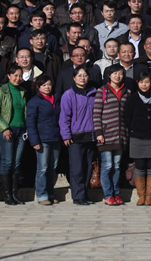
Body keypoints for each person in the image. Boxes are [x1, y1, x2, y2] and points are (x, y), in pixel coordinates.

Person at [93, 64, 130, 206]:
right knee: (107, 166)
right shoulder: (102, 91)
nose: (117, 76)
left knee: (117, 166)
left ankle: (116, 194)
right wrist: (99, 133)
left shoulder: (127, 91)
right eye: (114, 73)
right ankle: (108, 195)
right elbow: (96, 114)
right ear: (109, 75)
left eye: (120, 73)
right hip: (106, 135)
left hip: (121, 135)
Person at [60, 66, 97, 206]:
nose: (82, 78)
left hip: (91, 136)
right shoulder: (68, 95)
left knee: (88, 167)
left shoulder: (94, 93)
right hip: (75, 137)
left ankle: (85, 194)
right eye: (79, 75)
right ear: (74, 78)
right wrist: (65, 135)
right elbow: (64, 117)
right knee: (77, 168)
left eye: (85, 75)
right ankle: (77, 195)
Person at [0, 65, 27, 205]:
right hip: (7, 129)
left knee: (17, 162)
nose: (18, 78)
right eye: (15, 75)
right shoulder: (1, 90)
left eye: (20, 75)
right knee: (7, 161)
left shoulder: (23, 91)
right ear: (9, 76)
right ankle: (7, 195)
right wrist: (4, 128)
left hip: (21, 130)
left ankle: (14, 194)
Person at [125, 71, 151, 206]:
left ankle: (150, 196)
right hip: (137, 137)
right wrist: (135, 129)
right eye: (141, 82)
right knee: (139, 166)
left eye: (147, 82)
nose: (144, 85)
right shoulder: (133, 98)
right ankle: (141, 196)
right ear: (137, 83)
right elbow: (127, 118)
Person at [26, 75, 62, 206]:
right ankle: (42, 195)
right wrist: (34, 141)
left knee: (53, 167)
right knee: (43, 168)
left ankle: (50, 193)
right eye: (44, 85)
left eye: (49, 84)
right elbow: (31, 123)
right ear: (38, 87)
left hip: (56, 137)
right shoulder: (34, 102)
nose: (47, 87)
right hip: (42, 139)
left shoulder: (57, 98)